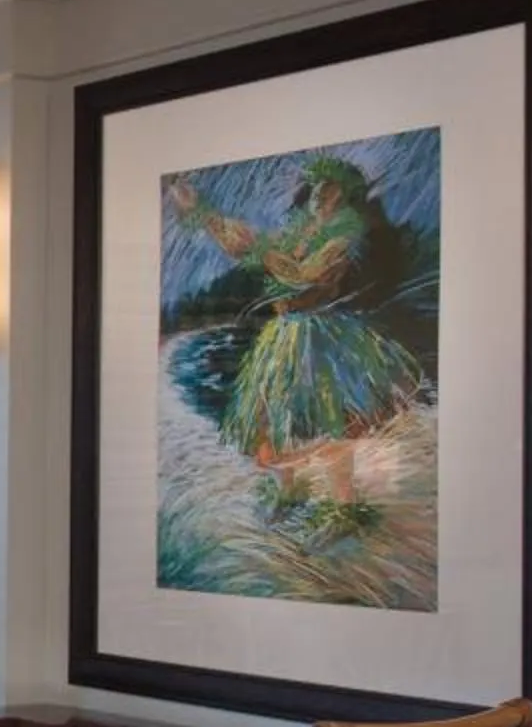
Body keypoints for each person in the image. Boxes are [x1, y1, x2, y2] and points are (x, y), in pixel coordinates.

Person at [164, 154, 422, 509]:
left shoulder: (344, 234)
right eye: (317, 186)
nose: (319, 194)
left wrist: (261, 250)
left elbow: (303, 275)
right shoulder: (298, 231)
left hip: (321, 337)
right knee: (268, 428)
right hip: (282, 336)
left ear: (342, 196)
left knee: (333, 425)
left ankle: (344, 507)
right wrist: (204, 213)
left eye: (329, 188)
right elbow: (244, 244)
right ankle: (288, 491)